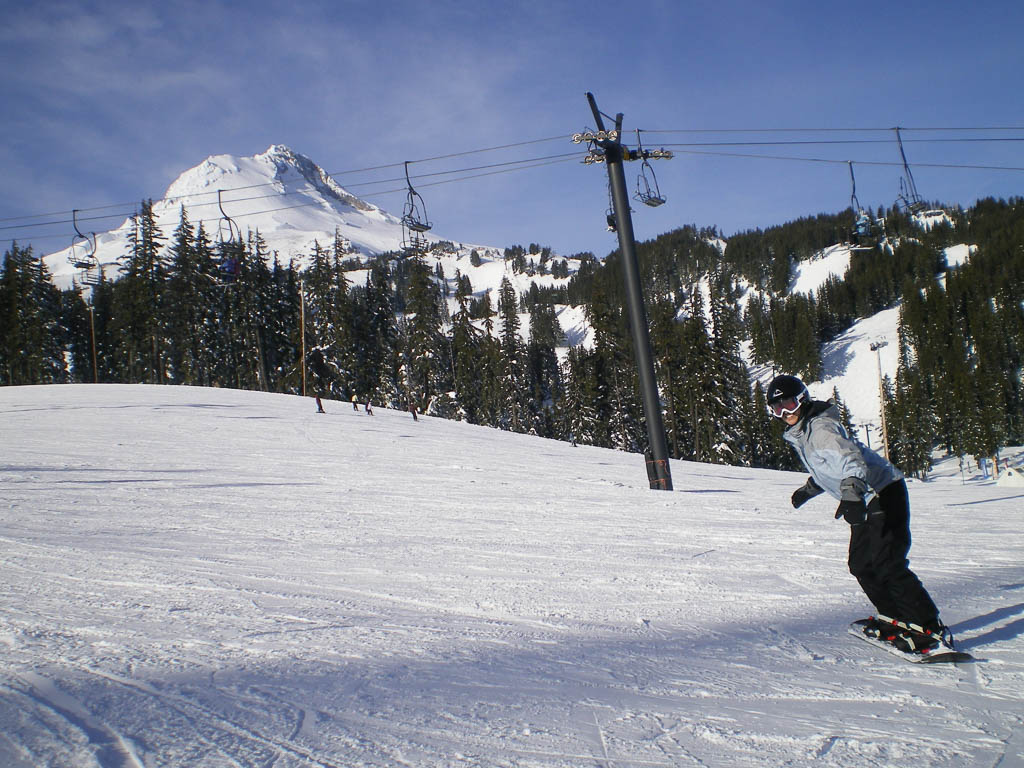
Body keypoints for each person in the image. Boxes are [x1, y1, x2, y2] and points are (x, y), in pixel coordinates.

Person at [766, 374, 953, 652]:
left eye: (789, 405)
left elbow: (850, 459)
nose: (785, 413)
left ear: (802, 400)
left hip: (882, 491)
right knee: (861, 564)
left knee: (887, 562)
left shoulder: (821, 429)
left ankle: (929, 629)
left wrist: (852, 492)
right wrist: (810, 489)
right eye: (777, 408)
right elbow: (828, 466)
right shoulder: (803, 432)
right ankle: (895, 618)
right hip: (863, 497)